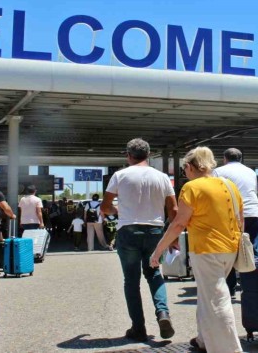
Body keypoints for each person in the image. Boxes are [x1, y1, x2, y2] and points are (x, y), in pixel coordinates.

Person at [150, 146, 244, 352]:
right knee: (207, 295)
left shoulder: (192, 188)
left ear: (191, 167)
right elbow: (240, 220)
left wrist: (159, 250)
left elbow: (178, 224)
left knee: (217, 300)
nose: (184, 171)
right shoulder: (230, 185)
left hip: (206, 249)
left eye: (184, 167)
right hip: (230, 248)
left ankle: (229, 349)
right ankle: (204, 339)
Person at [101, 138, 178, 342]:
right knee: (154, 273)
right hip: (155, 231)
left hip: (128, 231)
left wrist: (117, 210)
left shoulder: (120, 175)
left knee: (131, 281)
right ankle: (163, 313)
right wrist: (172, 236)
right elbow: (174, 210)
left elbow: (104, 207)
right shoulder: (162, 178)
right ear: (149, 155)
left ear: (128, 155)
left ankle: (138, 328)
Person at [213, 147, 258, 298]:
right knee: (252, 248)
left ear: (225, 158)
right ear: (241, 158)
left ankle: (231, 288)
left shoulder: (219, 172)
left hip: (232, 214)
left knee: (230, 249)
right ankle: (254, 285)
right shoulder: (251, 172)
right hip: (253, 212)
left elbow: (216, 195)